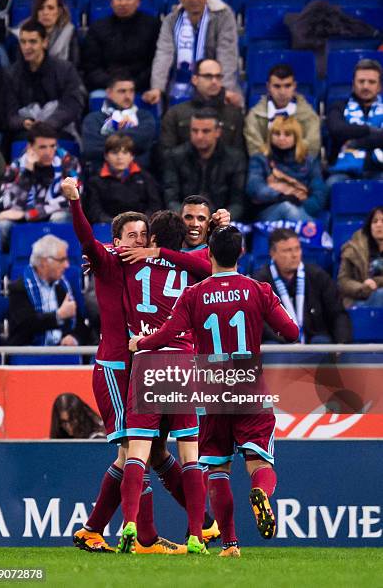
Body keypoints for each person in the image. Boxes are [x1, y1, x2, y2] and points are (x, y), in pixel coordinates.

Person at [129, 225, 300, 557]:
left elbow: (167, 334)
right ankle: (261, 493)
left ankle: (230, 545)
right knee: (257, 462)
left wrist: (140, 343)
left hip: (210, 386)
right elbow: (291, 331)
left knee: (218, 468)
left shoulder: (193, 294)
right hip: (248, 380)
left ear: (208, 255)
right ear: (241, 253)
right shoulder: (257, 289)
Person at [61, 177, 188, 555]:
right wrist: (74, 201)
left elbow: (201, 261)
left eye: (142, 235)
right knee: (135, 452)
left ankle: (92, 530)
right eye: (130, 235)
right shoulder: (106, 260)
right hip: (114, 369)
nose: (137, 241)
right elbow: (86, 240)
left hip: (142, 368)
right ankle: (144, 539)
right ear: (116, 241)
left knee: (151, 451)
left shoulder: (149, 266)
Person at [117, 210, 209, 555]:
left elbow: (108, 255)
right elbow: (216, 261)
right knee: (190, 456)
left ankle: (129, 522)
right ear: (181, 240)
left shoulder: (130, 262)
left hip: (147, 359)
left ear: (151, 239)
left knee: (137, 453)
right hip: (183, 362)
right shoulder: (193, 268)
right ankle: (197, 537)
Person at [143, 0, 240, 107]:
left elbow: (227, 55)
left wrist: (225, 89)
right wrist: (157, 87)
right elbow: (164, 54)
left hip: (214, 79)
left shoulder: (223, 15)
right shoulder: (171, 20)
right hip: (182, 79)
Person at [253, 228, 352, 344]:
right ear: (273, 254)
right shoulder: (259, 283)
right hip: (279, 344)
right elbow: (258, 322)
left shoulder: (317, 276)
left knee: (321, 343)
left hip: (313, 342)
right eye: (287, 250)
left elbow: (337, 313)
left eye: (297, 249)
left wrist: (342, 343)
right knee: (271, 347)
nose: (294, 255)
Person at [0, 122, 79, 249]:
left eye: (52, 146)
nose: (49, 152)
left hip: (50, 214)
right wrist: (27, 173)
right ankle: (6, 266)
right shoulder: (17, 166)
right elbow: (8, 204)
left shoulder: (68, 163)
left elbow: (70, 200)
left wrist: (28, 214)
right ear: (30, 147)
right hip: (24, 215)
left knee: (60, 217)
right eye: (42, 147)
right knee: (2, 224)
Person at [6, 19, 85, 141]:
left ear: (44, 42)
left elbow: (72, 105)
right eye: (23, 42)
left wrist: (50, 123)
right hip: (24, 132)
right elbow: (9, 111)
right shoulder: (11, 74)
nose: (27, 47)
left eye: (32, 42)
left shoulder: (65, 69)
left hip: (59, 128)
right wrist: (23, 122)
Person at [7, 234, 91, 347]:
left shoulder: (63, 287)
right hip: (29, 355)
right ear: (44, 262)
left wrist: (74, 338)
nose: (67, 265)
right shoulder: (19, 288)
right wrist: (58, 316)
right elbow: (25, 324)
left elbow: (80, 326)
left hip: (61, 354)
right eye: (62, 260)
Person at [82, 0, 160, 93]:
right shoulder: (97, 28)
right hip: (107, 87)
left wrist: (133, 84)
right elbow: (91, 67)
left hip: (142, 86)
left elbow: (155, 63)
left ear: (138, 1)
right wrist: (113, 84)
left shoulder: (153, 26)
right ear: (111, 2)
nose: (123, 3)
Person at [163, 109, 246, 220]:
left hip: (220, 221)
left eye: (205, 131)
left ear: (218, 132)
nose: (199, 136)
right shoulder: (175, 157)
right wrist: (186, 217)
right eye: (195, 131)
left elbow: (238, 202)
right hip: (185, 221)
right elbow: (171, 198)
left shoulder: (235, 159)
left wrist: (223, 218)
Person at [247, 116, 328, 222]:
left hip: (302, 210)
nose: (281, 138)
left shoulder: (309, 161)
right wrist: (281, 196)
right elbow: (255, 189)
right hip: (268, 212)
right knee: (287, 207)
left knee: (294, 210)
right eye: (277, 134)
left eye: (287, 134)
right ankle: (315, 234)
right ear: (270, 136)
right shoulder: (260, 159)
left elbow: (319, 194)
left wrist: (301, 204)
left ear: (296, 137)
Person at [160, 58, 244, 152]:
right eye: (208, 76)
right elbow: (166, 155)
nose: (214, 81)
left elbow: (239, 156)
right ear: (195, 80)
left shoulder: (234, 115)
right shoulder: (175, 114)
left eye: (218, 77)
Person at [82, 71, 156, 169]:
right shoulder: (94, 119)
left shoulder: (144, 116)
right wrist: (131, 144)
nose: (127, 96)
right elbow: (91, 149)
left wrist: (109, 138)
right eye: (122, 91)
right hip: (101, 177)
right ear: (109, 93)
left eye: (131, 91)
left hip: (139, 175)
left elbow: (145, 142)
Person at [327, 59, 383, 186]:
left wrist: (356, 143)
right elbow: (337, 130)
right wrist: (370, 130)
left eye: (371, 82)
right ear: (353, 84)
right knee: (332, 185)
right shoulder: (338, 106)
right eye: (361, 81)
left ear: (379, 86)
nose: (365, 86)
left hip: (380, 169)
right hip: (344, 170)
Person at [245, 63, 321, 158]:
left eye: (287, 86)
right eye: (277, 86)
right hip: (265, 169)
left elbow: (312, 147)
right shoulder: (255, 116)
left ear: (294, 86)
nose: (282, 92)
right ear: (268, 87)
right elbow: (254, 150)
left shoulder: (309, 115)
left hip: (300, 169)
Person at [84, 134, 161, 224]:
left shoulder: (146, 178)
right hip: (107, 229)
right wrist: (118, 225)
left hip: (141, 227)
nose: (120, 157)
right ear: (106, 156)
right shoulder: (95, 182)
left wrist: (140, 223)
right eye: (114, 153)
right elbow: (95, 212)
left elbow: (155, 206)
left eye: (124, 153)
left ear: (132, 156)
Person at [338, 206, 383, 308]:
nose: (379, 225)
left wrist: (376, 282)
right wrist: (363, 287)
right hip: (358, 300)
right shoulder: (353, 249)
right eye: (375, 221)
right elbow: (343, 281)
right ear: (369, 226)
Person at [29, 0, 79, 65]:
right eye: (41, 8)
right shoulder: (26, 32)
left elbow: (75, 65)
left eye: (50, 8)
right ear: (36, 12)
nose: (45, 12)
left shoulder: (69, 32)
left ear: (59, 12)